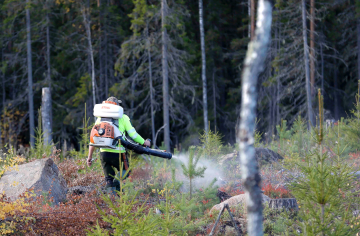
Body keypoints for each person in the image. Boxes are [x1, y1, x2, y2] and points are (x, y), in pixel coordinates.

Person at [87, 96, 151, 192]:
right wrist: (144, 142)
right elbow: (133, 134)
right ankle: (117, 183)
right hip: (119, 153)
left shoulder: (100, 119)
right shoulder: (124, 117)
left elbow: (93, 138)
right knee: (126, 172)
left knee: (108, 179)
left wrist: (89, 158)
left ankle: (112, 199)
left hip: (104, 153)